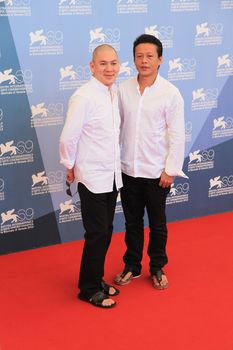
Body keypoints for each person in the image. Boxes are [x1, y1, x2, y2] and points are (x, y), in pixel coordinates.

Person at [114, 34, 187, 289]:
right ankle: (131, 266)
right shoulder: (122, 89)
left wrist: (170, 169)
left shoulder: (170, 93)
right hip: (128, 170)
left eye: (149, 56)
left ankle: (157, 267)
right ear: (134, 59)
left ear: (160, 60)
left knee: (158, 224)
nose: (144, 61)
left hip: (157, 172)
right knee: (132, 223)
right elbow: (116, 127)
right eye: (139, 56)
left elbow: (177, 134)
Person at [60, 44, 122, 308]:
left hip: (111, 175)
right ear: (92, 66)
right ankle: (87, 288)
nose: (109, 69)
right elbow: (68, 137)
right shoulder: (83, 96)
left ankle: (95, 280)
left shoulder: (113, 93)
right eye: (103, 63)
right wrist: (69, 164)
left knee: (105, 231)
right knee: (97, 233)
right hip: (92, 176)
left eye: (114, 63)